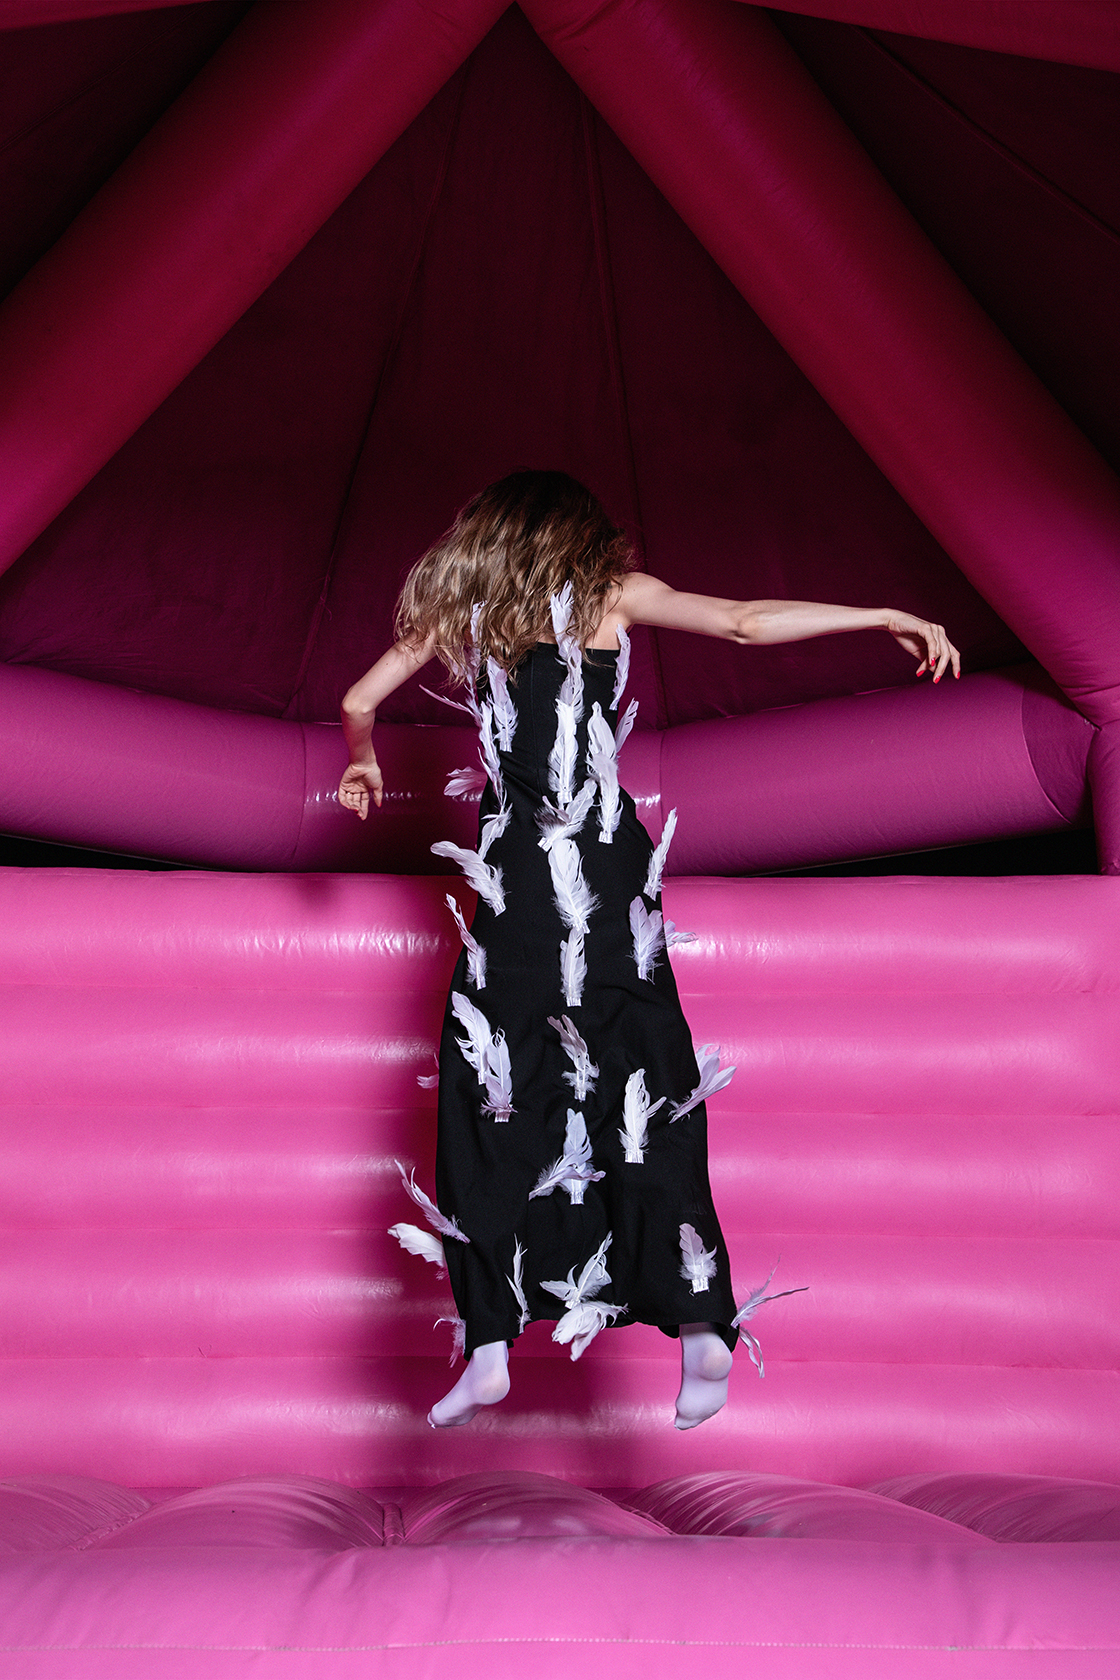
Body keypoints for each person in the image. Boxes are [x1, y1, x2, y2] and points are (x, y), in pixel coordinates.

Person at [339, 470, 960, 1432]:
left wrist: (362, 758)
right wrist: (881, 612)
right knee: (646, 1078)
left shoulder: (473, 609)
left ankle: (492, 1341)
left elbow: (358, 699)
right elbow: (748, 621)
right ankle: (703, 1326)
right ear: (587, 540)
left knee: (493, 1088)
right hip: (612, 867)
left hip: (519, 877)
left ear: (495, 538)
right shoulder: (613, 597)